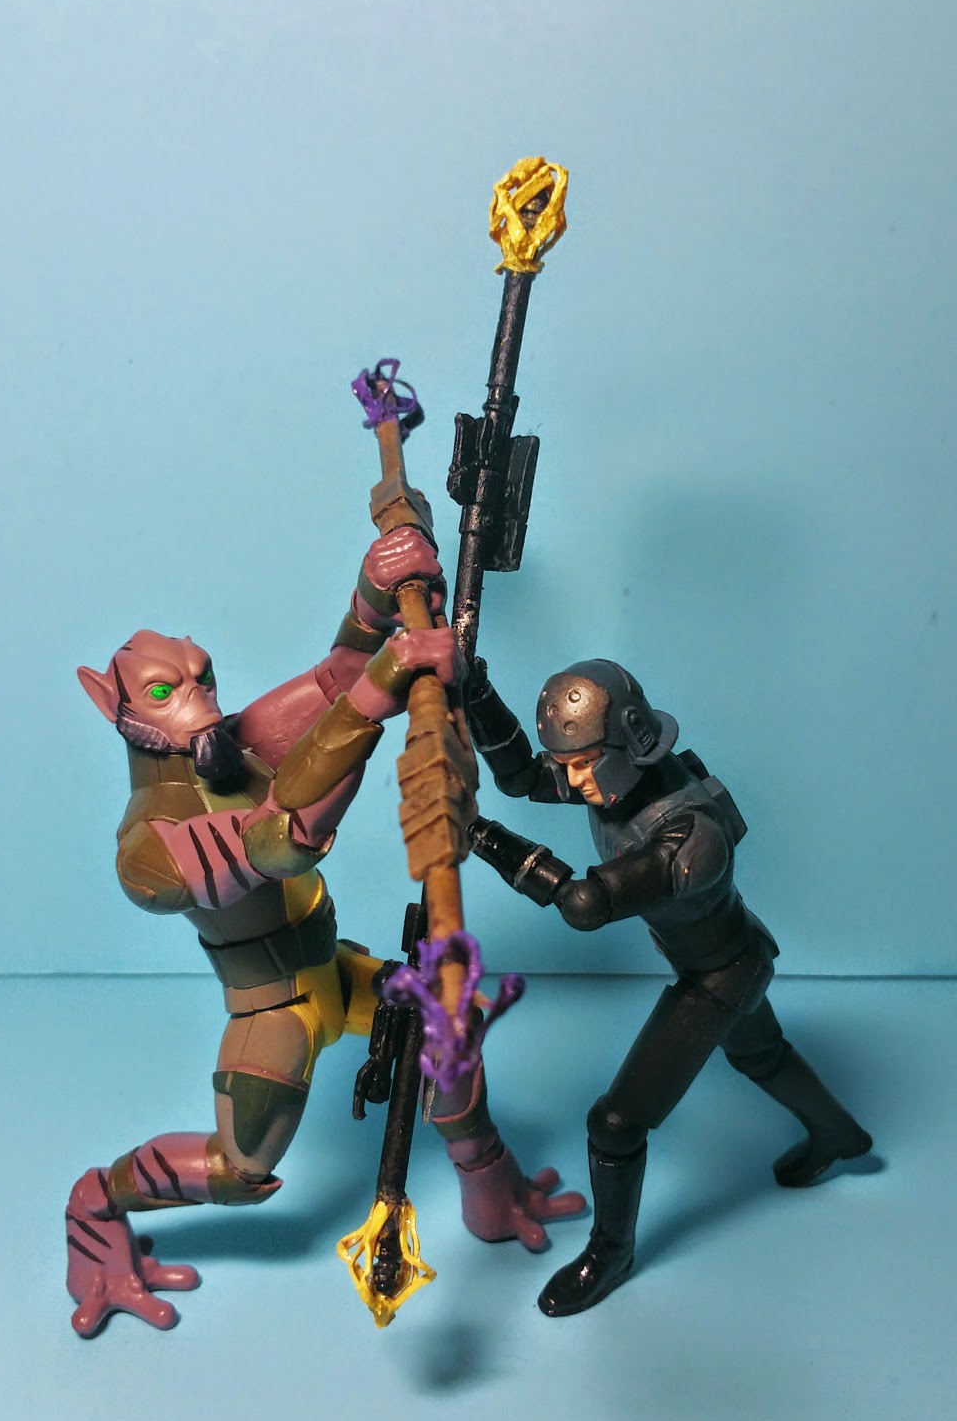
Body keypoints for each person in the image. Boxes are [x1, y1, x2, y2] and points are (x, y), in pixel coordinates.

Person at [64, 530, 581, 1337]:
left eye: (201, 676)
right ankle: (95, 1205)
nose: (198, 698)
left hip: (331, 966)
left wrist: (376, 586)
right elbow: (283, 837)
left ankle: (492, 1192)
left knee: (450, 1030)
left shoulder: (232, 747)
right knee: (241, 1169)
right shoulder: (150, 847)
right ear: (115, 706)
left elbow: (335, 676)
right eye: (165, 692)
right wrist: (375, 696)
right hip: (273, 1009)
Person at [466, 657, 873, 1318]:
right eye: (566, 764)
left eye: (583, 764)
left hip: (721, 973)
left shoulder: (690, 835)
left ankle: (611, 1251)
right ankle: (841, 1136)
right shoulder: (614, 776)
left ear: (628, 743)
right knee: (760, 1055)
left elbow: (584, 905)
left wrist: (486, 839)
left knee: (615, 1124)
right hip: (724, 957)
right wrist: (476, 690)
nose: (572, 780)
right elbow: (519, 778)